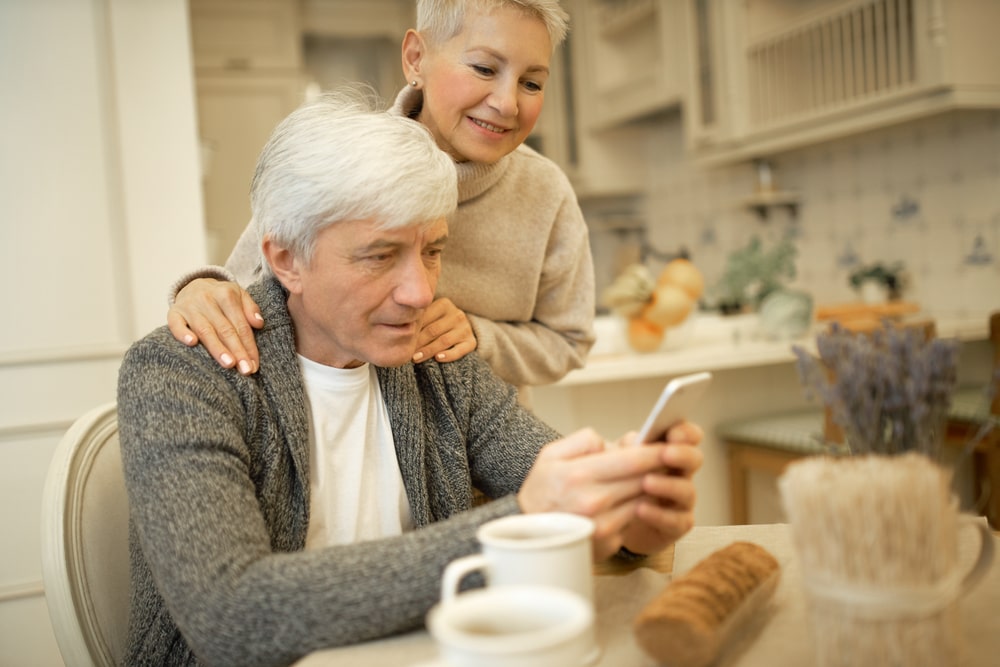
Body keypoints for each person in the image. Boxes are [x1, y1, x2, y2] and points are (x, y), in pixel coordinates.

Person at [118, 90, 702, 666]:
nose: (421, 293)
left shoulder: (433, 363)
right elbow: (234, 619)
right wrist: (521, 523)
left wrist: (631, 516)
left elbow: (551, 480)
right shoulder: (181, 375)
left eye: (431, 251)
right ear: (287, 260)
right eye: (379, 255)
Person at [167, 0, 595, 398]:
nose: (506, 103)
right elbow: (244, 281)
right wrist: (201, 290)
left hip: (483, 458)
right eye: (484, 68)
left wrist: (482, 337)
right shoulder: (338, 164)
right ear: (416, 58)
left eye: (532, 83)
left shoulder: (546, 191)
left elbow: (569, 342)